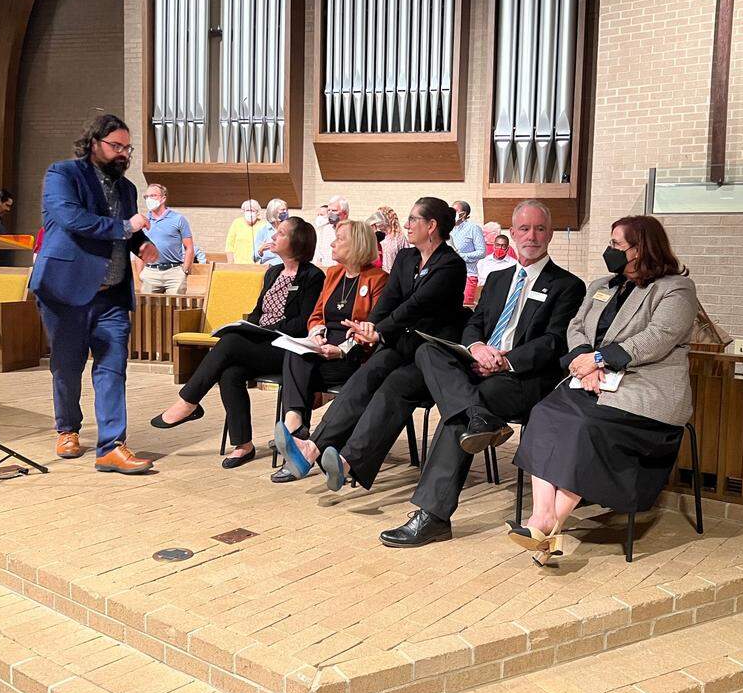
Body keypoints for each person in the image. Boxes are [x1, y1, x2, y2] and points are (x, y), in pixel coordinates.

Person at [379, 201, 585, 546]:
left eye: (538, 229)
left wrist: (505, 361)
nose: (531, 236)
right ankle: (478, 416)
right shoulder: (499, 277)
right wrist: (476, 348)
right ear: (512, 233)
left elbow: (554, 343)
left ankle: (432, 516)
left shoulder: (567, 285)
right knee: (428, 350)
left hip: (522, 380)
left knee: (457, 417)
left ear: (549, 233)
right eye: (523, 228)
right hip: (479, 365)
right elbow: (474, 322)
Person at [507, 215, 697, 565]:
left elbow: (658, 338)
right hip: (591, 379)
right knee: (544, 413)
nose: (609, 251)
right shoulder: (602, 285)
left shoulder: (675, 288)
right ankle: (544, 520)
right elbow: (576, 326)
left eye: (616, 245)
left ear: (641, 249)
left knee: (584, 427)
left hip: (644, 392)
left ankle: (549, 523)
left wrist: (598, 360)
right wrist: (583, 361)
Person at [275, 197, 467, 493]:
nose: (406, 224)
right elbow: (390, 300)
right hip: (400, 343)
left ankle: (348, 461)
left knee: (391, 388)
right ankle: (311, 450)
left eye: (414, 219)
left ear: (432, 226)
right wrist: (370, 325)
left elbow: (415, 305)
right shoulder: (406, 258)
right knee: (365, 377)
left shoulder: (451, 265)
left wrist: (377, 331)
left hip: (431, 354)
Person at [30, 113, 159, 474]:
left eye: (127, 148)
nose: (123, 154)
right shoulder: (62, 175)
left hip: (112, 294)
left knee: (113, 368)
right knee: (67, 367)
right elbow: (73, 220)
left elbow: (126, 232)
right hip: (66, 290)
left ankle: (111, 447)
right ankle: (67, 428)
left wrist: (142, 245)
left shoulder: (127, 188)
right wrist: (125, 227)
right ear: (93, 144)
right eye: (115, 146)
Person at [150, 217, 323, 468]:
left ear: (297, 241)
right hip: (262, 345)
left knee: (230, 343)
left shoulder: (312, 276)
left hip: (287, 350)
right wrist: (252, 326)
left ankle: (188, 402)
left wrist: (265, 330)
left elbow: (302, 322)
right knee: (230, 372)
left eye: (281, 233)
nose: (273, 237)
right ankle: (243, 445)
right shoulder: (273, 272)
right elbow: (257, 311)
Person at [270, 220, 388, 482]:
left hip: (353, 354)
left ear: (357, 244)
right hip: (322, 346)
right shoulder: (333, 274)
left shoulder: (378, 279)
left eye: (340, 239)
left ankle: (298, 439)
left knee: (299, 363)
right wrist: (316, 333)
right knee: (295, 351)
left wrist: (342, 349)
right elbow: (316, 315)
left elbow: (374, 329)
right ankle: (295, 425)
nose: (333, 243)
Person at [138, 184, 194, 294]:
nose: (149, 199)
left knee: (175, 309)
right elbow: (139, 249)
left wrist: (184, 271)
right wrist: (140, 272)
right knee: (148, 309)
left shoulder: (178, 219)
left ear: (163, 198)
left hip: (174, 272)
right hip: (151, 272)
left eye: (153, 195)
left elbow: (189, 247)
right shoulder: (143, 221)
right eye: (146, 196)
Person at [449, 200, 486, 305]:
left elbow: (482, 252)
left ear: (463, 214)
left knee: (464, 308)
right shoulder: (449, 229)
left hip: (467, 275)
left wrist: (461, 256)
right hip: (449, 275)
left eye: (454, 210)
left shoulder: (473, 228)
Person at [313, 195, 349, 266]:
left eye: (334, 210)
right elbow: (318, 255)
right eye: (329, 210)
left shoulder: (353, 231)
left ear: (345, 213)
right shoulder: (323, 230)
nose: (330, 213)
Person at [226, 199, 264, 264]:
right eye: (247, 210)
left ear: (257, 213)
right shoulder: (237, 223)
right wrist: (231, 263)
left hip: (257, 265)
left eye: (252, 210)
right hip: (238, 264)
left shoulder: (263, 224)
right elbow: (229, 245)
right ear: (244, 211)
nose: (250, 213)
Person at [254, 199, 289, 266]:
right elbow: (255, 257)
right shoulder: (263, 231)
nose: (286, 212)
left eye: (286, 210)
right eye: (283, 210)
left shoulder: (289, 229)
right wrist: (260, 250)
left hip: (286, 268)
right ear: (274, 212)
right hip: (269, 269)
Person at [376, 206, 410, 273]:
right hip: (380, 276)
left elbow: (407, 259)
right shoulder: (378, 236)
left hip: (395, 276)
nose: (376, 222)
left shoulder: (399, 238)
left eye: (378, 219)